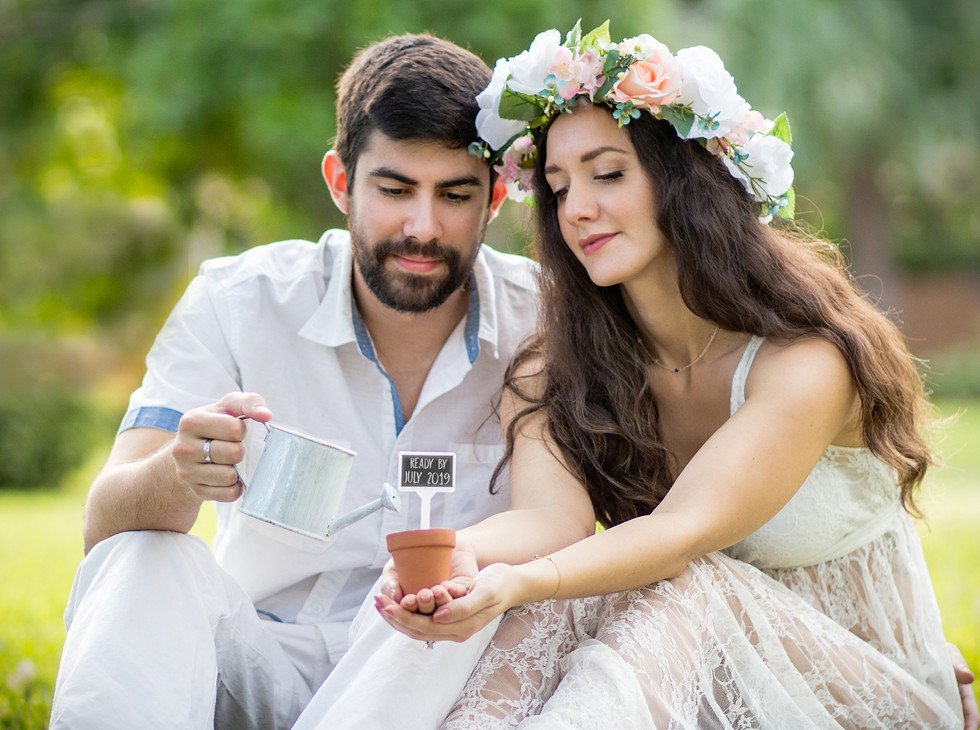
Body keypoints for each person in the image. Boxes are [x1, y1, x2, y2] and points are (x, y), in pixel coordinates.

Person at [317, 21, 975, 728]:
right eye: (558, 188)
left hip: (861, 684)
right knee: (546, 603)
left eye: (607, 174)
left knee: (684, 585)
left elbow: (680, 534)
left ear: (682, 179)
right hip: (692, 668)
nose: (577, 209)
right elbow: (550, 523)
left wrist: (520, 582)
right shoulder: (557, 368)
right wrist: (457, 558)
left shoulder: (807, 363)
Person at [48, 33, 542, 730]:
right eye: (394, 189)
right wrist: (178, 473)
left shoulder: (544, 322)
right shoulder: (237, 300)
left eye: (454, 195)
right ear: (341, 181)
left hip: (428, 673)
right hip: (253, 658)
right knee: (140, 553)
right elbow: (103, 522)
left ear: (494, 198)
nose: (423, 226)